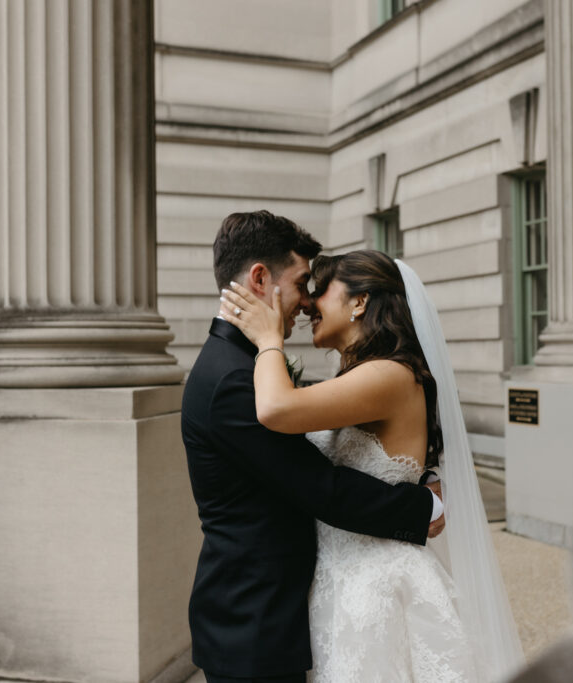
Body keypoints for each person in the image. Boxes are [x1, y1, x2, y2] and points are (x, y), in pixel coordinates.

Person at [220, 249, 525, 682]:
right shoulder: (364, 375)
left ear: (360, 302)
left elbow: (275, 408)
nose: (309, 303)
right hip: (338, 582)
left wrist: (269, 342)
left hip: (375, 589)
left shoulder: (388, 374)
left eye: (321, 290)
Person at [181, 211, 445, 683]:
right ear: (260, 278)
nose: (306, 302)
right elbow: (319, 486)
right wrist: (421, 507)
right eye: (303, 283)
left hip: (303, 605)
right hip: (254, 621)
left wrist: (415, 471)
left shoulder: (247, 364)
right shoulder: (235, 379)